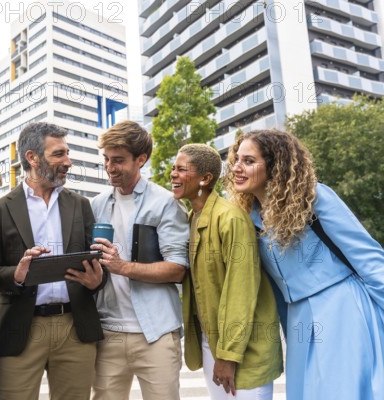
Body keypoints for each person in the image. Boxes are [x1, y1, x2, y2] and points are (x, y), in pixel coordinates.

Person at [226, 129, 384, 400]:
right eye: (236, 160)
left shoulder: (313, 199)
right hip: (298, 322)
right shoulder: (249, 219)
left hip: (341, 310)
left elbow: (369, 258)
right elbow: (276, 289)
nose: (237, 168)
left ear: (275, 166)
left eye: (248, 161)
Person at [0, 122, 106, 400]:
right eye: (59, 154)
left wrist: (97, 280)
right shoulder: (1, 209)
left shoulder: (80, 205)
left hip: (75, 326)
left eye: (67, 153)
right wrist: (18, 274)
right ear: (32, 157)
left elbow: (98, 262)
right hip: (21, 328)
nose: (68, 162)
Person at [171, 144, 282, 400]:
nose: (173, 174)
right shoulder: (192, 217)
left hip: (243, 350)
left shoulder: (231, 218)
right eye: (173, 168)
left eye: (181, 169)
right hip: (213, 345)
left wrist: (228, 356)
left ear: (205, 178)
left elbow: (240, 291)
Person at [90, 120, 188, 400]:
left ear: (141, 159)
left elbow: (177, 269)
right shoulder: (96, 204)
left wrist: (123, 267)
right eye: (106, 159)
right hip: (108, 332)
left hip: (155, 333)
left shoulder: (165, 203)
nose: (110, 167)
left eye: (118, 160)